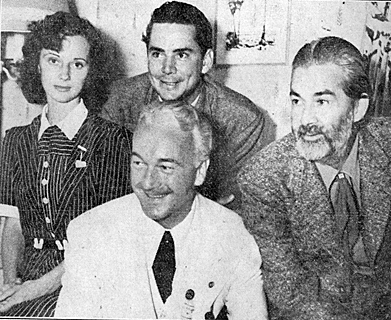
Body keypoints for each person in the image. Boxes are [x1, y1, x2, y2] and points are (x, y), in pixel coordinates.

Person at [55, 101, 268, 319]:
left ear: (200, 171)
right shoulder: (91, 233)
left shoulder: (232, 234)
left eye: (165, 167)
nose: (147, 183)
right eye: (138, 164)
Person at [238, 36, 391, 320]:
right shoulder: (263, 178)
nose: (305, 120)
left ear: (358, 108)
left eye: (322, 101)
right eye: (297, 100)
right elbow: (289, 294)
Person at [0, 12, 132, 317]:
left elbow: (105, 243)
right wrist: (10, 283)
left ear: (91, 71)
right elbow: (14, 224)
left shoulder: (113, 140)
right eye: (53, 60)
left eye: (77, 64)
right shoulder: (16, 140)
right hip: (24, 276)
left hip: (85, 278)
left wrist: (34, 290)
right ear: (36, 64)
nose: (64, 75)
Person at [101, 1, 275, 209]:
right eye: (157, 54)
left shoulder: (241, 121)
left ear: (206, 61)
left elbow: (237, 209)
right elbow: (106, 190)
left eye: (181, 55)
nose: (167, 68)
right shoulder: (121, 101)